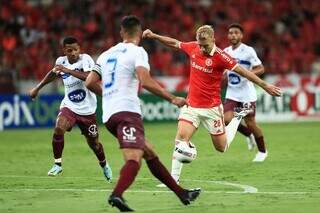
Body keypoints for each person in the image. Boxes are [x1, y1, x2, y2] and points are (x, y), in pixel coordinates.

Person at [85, 15, 201, 212]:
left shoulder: (105, 55)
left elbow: (89, 82)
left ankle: (182, 194)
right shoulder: (137, 52)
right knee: (134, 159)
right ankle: (117, 195)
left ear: (122, 32)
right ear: (139, 33)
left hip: (110, 115)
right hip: (127, 112)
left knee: (149, 152)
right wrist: (172, 98)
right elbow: (145, 81)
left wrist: (111, 95)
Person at [142, 25, 282, 185]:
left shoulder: (222, 57)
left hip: (212, 109)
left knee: (221, 148)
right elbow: (175, 43)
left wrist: (266, 86)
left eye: (205, 45)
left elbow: (245, 72)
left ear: (213, 40)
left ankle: (237, 117)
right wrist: (154, 35)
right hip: (191, 106)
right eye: (199, 44)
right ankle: (174, 180)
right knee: (181, 139)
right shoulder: (194, 47)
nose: (201, 48)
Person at [28, 37, 112, 182]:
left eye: (75, 49)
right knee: (59, 128)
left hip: (88, 110)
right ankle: (57, 164)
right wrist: (37, 88)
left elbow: (88, 77)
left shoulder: (86, 60)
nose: (73, 53)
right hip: (70, 106)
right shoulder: (60, 61)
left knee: (94, 144)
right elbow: (53, 74)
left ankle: (104, 164)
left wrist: (67, 70)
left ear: (79, 49)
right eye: (69, 50)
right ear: (64, 51)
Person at [223, 23, 268, 162]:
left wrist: (247, 74)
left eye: (236, 32)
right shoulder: (225, 51)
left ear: (241, 35)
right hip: (232, 92)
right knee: (226, 120)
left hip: (247, 94)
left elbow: (261, 69)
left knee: (250, 122)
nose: (233, 35)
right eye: (230, 33)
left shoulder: (248, 51)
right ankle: (249, 135)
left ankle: (262, 151)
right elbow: (223, 70)